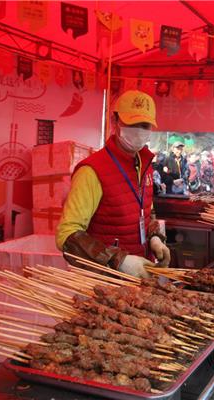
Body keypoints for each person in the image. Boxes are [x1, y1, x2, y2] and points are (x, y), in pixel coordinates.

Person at [56, 90, 171, 278]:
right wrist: (118, 261)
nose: (139, 131)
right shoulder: (92, 171)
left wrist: (155, 237)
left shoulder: (145, 165)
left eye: (144, 125)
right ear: (114, 121)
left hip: (142, 272)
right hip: (106, 278)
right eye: (131, 124)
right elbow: (67, 234)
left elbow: (146, 211)